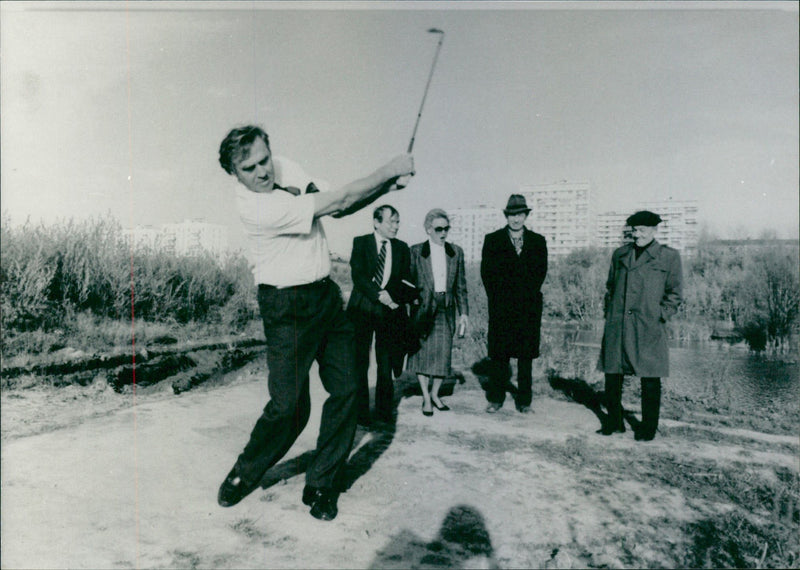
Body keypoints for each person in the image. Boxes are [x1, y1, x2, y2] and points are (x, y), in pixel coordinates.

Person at [215, 125, 414, 520]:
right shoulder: (256, 207)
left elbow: (339, 206)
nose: (262, 172)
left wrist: (386, 189)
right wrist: (390, 169)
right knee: (290, 407)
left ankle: (322, 485)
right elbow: (338, 200)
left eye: (264, 159)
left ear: (271, 152)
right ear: (235, 175)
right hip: (285, 306)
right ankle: (246, 470)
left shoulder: (284, 169)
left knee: (348, 389)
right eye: (249, 168)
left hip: (324, 297)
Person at [597, 210, 683, 441]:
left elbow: (675, 293)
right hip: (618, 323)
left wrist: (660, 315)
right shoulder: (620, 254)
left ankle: (647, 429)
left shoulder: (669, 257)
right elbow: (610, 287)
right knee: (612, 374)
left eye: (642, 230)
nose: (637, 234)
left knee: (650, 378)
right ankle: (614, 422)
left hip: (648, 326)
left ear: (655, 230)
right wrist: (611, 313)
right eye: (634, 230)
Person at [346, 205, 417, 427]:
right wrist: (379, 295)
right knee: (360, 362)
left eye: (397, 222)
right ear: (376, 222)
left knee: (385, 362)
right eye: (391, 222)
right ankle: (360, 413)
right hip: (363, 308)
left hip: (389, 311)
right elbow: (358, 275)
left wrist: (391, 295)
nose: (396, 226)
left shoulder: (402, 248)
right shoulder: (361, 242)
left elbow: (406, 279)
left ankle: (384, 412)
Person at [481, 194, 548, 414]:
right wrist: (500, 299)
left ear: (526, 215)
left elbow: (540, 274)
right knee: (500, 357)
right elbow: (487, 275)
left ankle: (525, 401)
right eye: (512, 215)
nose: (516, 219)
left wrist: (524, 296)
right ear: (506, 216)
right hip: (501, 308)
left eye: (520, 214)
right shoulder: (493, 240)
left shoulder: (538, 241)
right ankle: (496, 398)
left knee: (525, 358)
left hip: (528, 309)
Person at [406, 209, 469, 416]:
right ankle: (425, 397)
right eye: (439, 229)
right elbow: (407, 282)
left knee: (443, 353)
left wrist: (464, 314)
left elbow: (461, 285)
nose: (443, 233)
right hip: (423, 308)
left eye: (446, 228)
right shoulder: (416, 251)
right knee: (423, 354)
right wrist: (412, 302)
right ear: (428, 230)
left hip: (446, 308)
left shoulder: (456, 252)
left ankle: (435, 394)